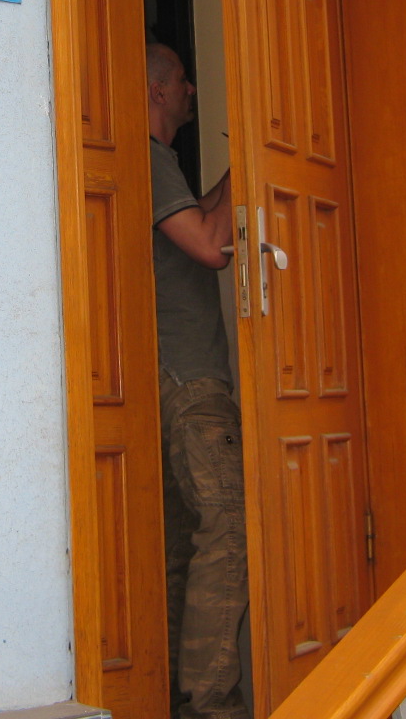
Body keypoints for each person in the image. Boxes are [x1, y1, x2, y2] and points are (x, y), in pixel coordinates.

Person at [145, 43, 250, 719]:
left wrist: (242, 171)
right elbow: (212, 245)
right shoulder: (148, 157)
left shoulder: (163, 166)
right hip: (190, 383)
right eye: (183, 80)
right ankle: (211, 704)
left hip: (170, 378)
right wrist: (259, 156)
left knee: (185, 545)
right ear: (158, 90)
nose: (191, 90)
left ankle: (174, 700)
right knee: (228, 527)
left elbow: (204, 214)